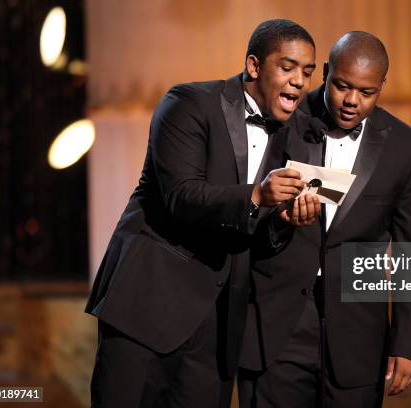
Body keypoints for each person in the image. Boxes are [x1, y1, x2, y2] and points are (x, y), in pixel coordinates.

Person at [85, 19, 319, 407]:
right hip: (149, 303)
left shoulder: (295, 138)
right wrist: (257, 196)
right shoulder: (189, 103)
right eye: (288, 67)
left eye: (307, 72)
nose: (299, 81)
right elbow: (180, 196)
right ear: (254, 66)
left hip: (220, 326)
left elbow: (255, 235)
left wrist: (281, 223)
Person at [238, 31, 411, 407]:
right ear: (326, 72)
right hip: (276, 327)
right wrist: (280, 220)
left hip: (358, 332)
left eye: (366, 92)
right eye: (342, 86)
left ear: (382, 86)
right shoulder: (283, 118)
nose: (351, 101)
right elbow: (247, 208)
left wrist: (409, 344)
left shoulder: (405, 149)